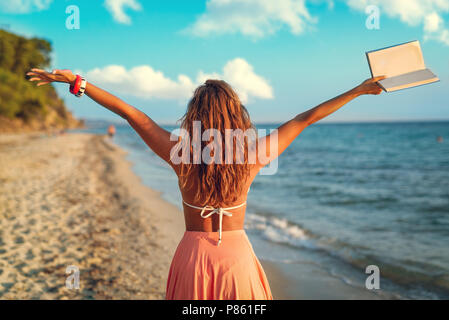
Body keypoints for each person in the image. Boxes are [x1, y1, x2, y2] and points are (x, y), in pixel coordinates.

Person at [26, 68, 385, 300]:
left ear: (195, 115)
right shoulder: (252, 156)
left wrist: (79, 83)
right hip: (237, 260)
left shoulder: (179, 153)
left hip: (192, 257)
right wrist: (358, 89)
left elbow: (130, 112)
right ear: (236, 115)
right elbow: (306, 118)